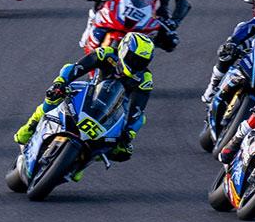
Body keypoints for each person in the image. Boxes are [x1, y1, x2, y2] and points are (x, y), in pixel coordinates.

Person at [13, 33, 156, 166]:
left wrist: (128, 133)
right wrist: (61, 83)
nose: (137, 65)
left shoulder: (145, 78)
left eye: (142, 62)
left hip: (115, 110)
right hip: (91, 92)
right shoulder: (107, 54)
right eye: (134, 59)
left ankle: (80, 163)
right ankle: (31, 127)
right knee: (54, 95)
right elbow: (77, 68)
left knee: (133, 130)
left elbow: (138, 108)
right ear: (124, 50)